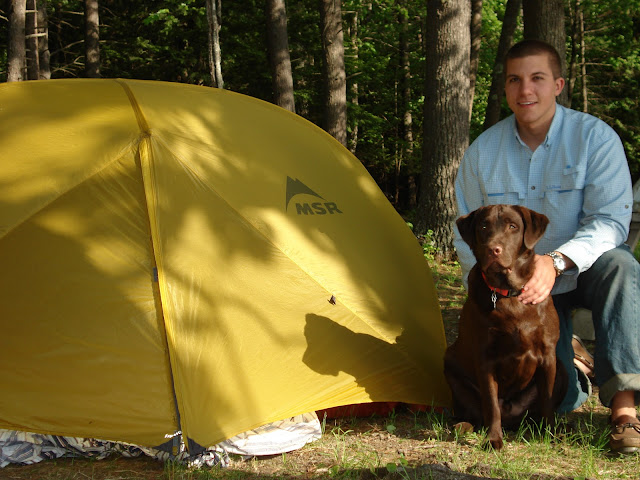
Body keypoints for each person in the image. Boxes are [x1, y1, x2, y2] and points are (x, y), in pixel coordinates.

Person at [453, 39, 640, 454]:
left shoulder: (595, 139)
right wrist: (495, 297)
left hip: (581, 271)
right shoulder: (483, 152)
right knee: (561, 399)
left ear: (558, 84)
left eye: (537, 78)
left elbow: (611, 222)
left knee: (622, 266)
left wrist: (555, 261)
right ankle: (572, 362)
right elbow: (467, 238)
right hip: (515, 294)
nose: (526, 90)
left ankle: (625, 412)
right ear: (505, 88)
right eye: (514, 80)